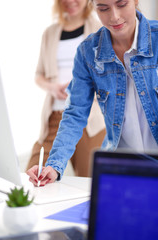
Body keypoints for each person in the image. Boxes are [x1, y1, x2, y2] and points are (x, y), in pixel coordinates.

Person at [27, 0, 158, 187]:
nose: (114, 16)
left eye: (121, 4)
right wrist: (54, 166)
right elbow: (75, 113)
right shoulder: (88, 52)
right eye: (103, 8)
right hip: (121, 167)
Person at [26, 0, 106, 177]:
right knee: (33, 176)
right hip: (55, 116)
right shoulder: (50, 33)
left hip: (89, 119)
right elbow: (39, 74)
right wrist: (52, 88)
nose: (69, 1)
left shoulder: (100, 29)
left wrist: (81, 90)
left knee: (90, 183)